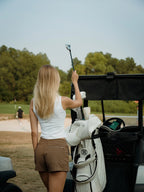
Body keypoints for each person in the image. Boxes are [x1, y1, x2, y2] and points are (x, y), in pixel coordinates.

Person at [29, 65, 82, 192]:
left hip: (40, 148)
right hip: (57, 149)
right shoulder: (63, 101)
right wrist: (75, 82)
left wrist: (37, 152)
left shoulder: (33, 102)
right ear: (55, 81)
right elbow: (79, 102)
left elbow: (34, 133)